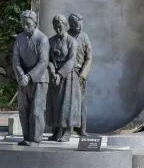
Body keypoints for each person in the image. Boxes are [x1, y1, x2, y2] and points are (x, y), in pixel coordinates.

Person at [11, 10, 50, 146]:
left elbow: (44, 61)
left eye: (28, 24)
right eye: (23, 23)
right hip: (23, 79)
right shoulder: (19, 38)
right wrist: (21, 75)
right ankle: (26, 137)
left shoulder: (42, 39)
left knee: (37, 111)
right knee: (23, 110)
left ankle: (35, 139)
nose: (25, 26)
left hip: (39, 79)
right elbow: (15, 60)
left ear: (35, 23)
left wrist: (29, 76)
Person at [45, 14, 81, 142]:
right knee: (55, 104)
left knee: (67, 104)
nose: (57, 29)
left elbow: (71, 60)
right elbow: (48, 59)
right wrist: (52, 70)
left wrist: (60, 74)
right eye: (55, 27)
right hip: (54, 76)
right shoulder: (50, 41)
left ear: (65, 26)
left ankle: (67, 131)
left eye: (60, 26)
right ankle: (56, 130)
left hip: (68, 77)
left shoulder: (72, 41)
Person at [69, 13, 92, 136]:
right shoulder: (66, 36)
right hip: (68, 74)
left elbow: (89, 58)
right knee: (68, 102)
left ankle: (82, 129)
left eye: (81, 25)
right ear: (71, 25)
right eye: (78, 26)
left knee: (82, 103)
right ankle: (68, 128)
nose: (80, 28)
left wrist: (83, 75)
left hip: (80, 74)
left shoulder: (84, 37)